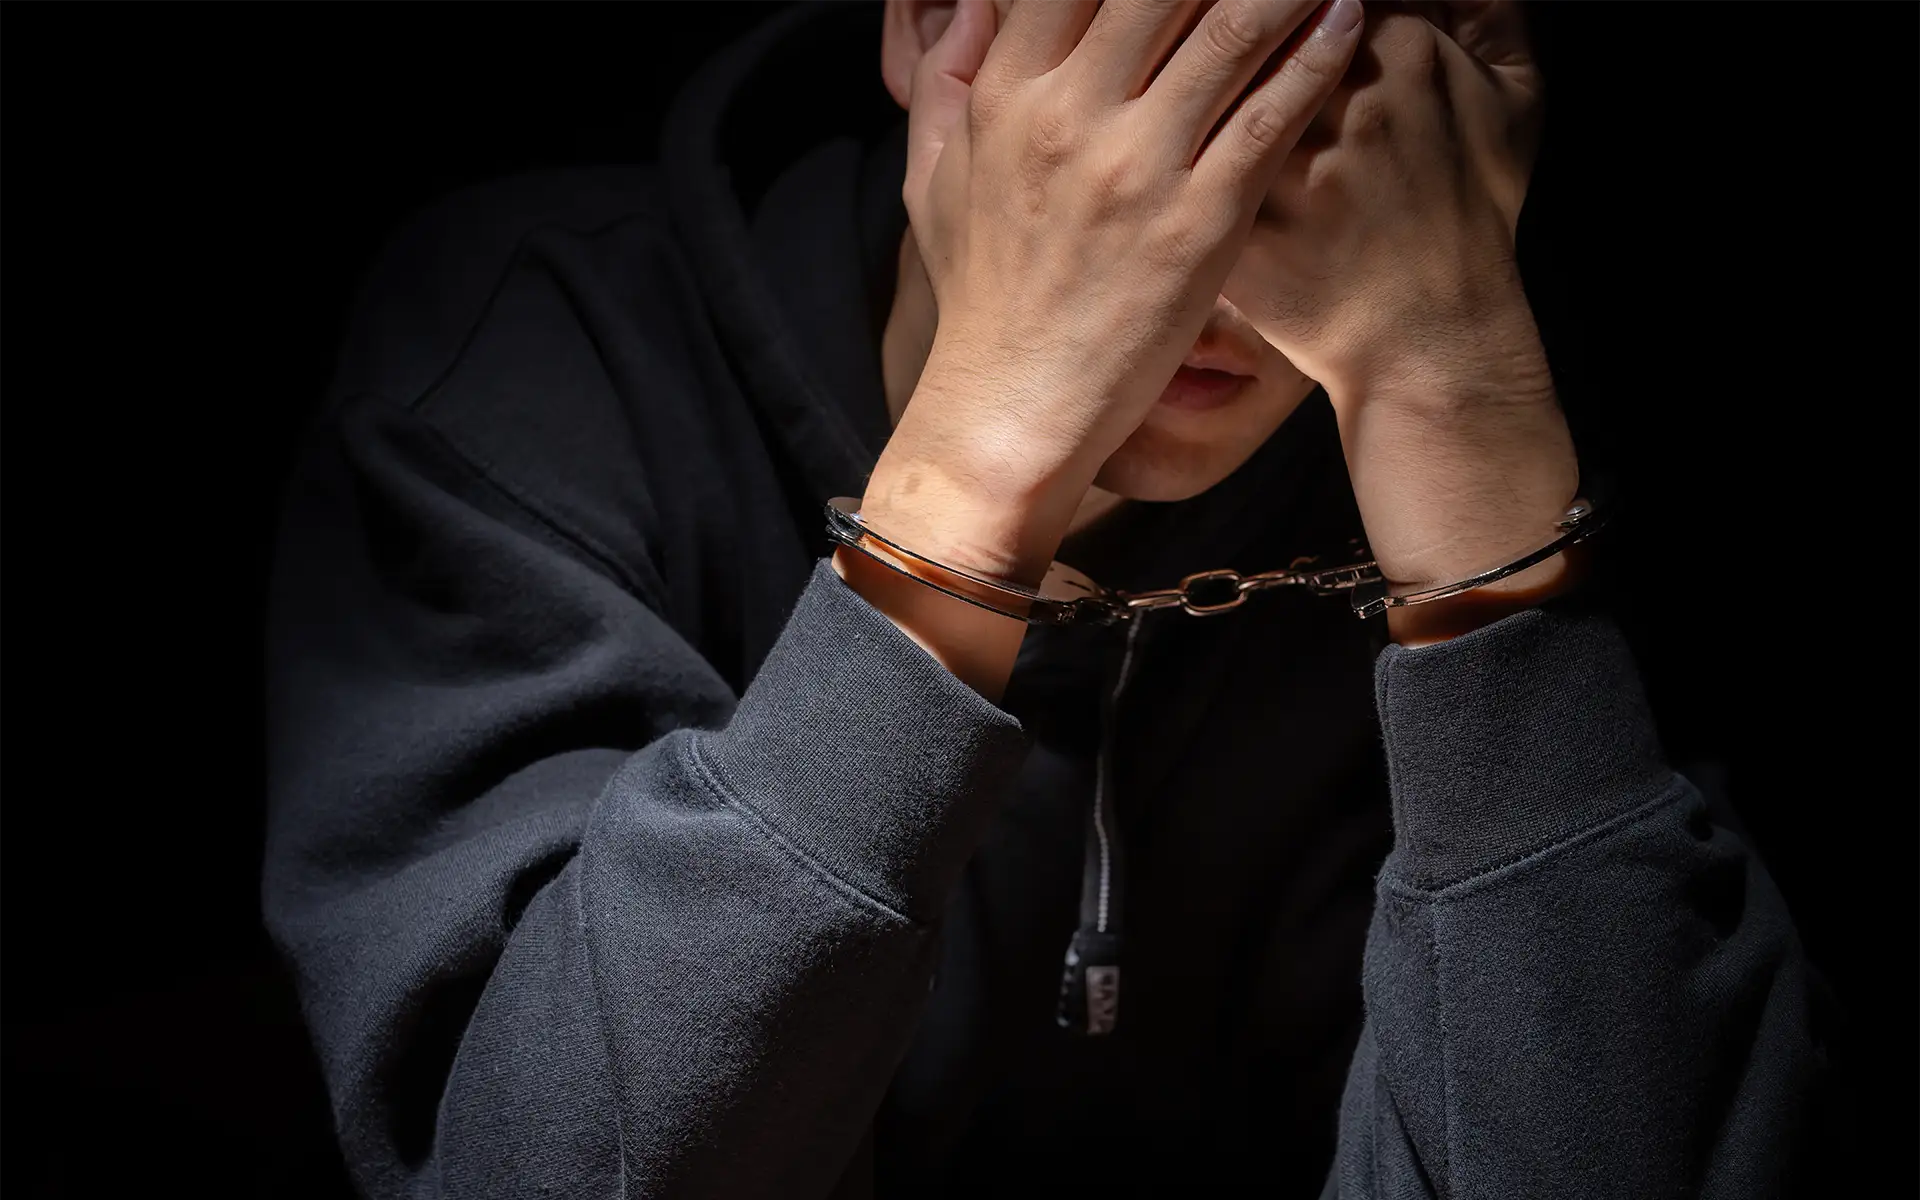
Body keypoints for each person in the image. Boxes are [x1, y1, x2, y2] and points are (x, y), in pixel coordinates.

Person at [263, 0, 1836, 1195]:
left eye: (1308, 126)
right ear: (938, 26)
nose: (1202, 249)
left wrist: (1463, 437)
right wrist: (987, 457)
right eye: (1144, 99)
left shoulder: (1559, 417)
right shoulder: (521, 358)